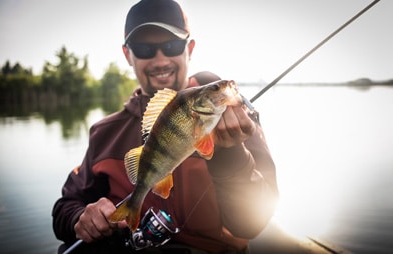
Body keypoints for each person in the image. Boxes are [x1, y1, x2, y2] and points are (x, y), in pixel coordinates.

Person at [52, 0, 278, 253]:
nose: (160, 60)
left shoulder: (236, 117)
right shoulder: (105, 133)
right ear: (128, 54)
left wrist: (230, 154)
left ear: (189, 48)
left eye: (171, 46)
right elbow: (65, 208)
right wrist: (80, 218)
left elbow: (252, 224)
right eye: (144, 49)